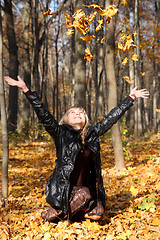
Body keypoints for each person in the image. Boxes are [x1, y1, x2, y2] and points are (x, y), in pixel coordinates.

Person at [5, 76, 149, 222]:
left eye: (80, 113)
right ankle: (54, 212)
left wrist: (130, 98)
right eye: (73, 113)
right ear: (67, 119)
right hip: (65, 190)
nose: (77, 114)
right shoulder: (60, 133)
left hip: (89, 188)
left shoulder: (92, 133)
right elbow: (44, 114)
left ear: (85, 118)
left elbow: (111, 118)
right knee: (84, 194)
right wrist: (25, 90)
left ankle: (75, 211)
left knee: (97, 214)